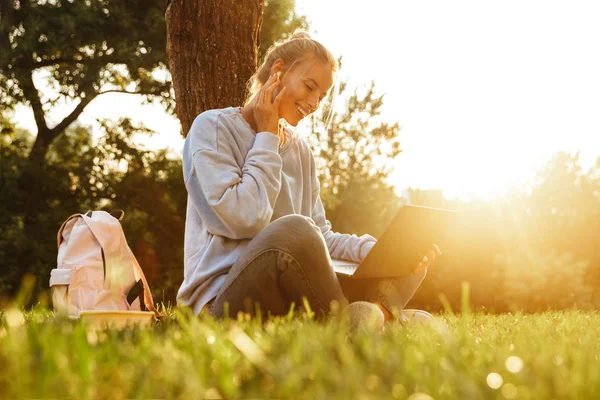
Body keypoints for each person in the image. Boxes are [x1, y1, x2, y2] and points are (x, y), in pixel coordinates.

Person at [177, 30, 440, 326]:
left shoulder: (300, 150)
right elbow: (244, 218)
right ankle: (374, 325)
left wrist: (379, 252)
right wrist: (266, 137)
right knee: (294, 229)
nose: (314, 103)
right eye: (309, 86)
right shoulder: (212, 128)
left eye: (321, 96)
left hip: (286, 300)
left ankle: (376, 318)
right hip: (221, 302)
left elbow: (320, 238)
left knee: (408, 260)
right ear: (278, 70)